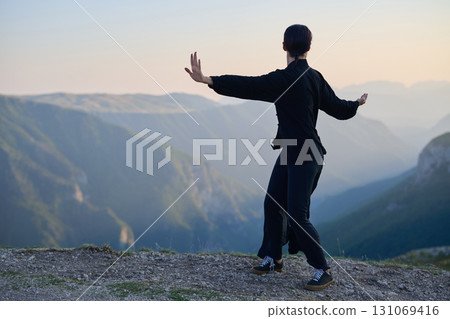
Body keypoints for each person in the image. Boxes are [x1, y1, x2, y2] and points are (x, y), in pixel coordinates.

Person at [185, 24, 368, 291]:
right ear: (309, 47)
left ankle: (323, 270)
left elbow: (248, 85)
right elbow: (338, 107)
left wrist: (209, 80)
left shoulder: (285, 79)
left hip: (305, 155)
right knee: (273, 204)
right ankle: (275, 258)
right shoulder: (315, 76)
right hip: (296, 152)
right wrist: (357, 104)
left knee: (297, 214)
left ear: (284, 46)